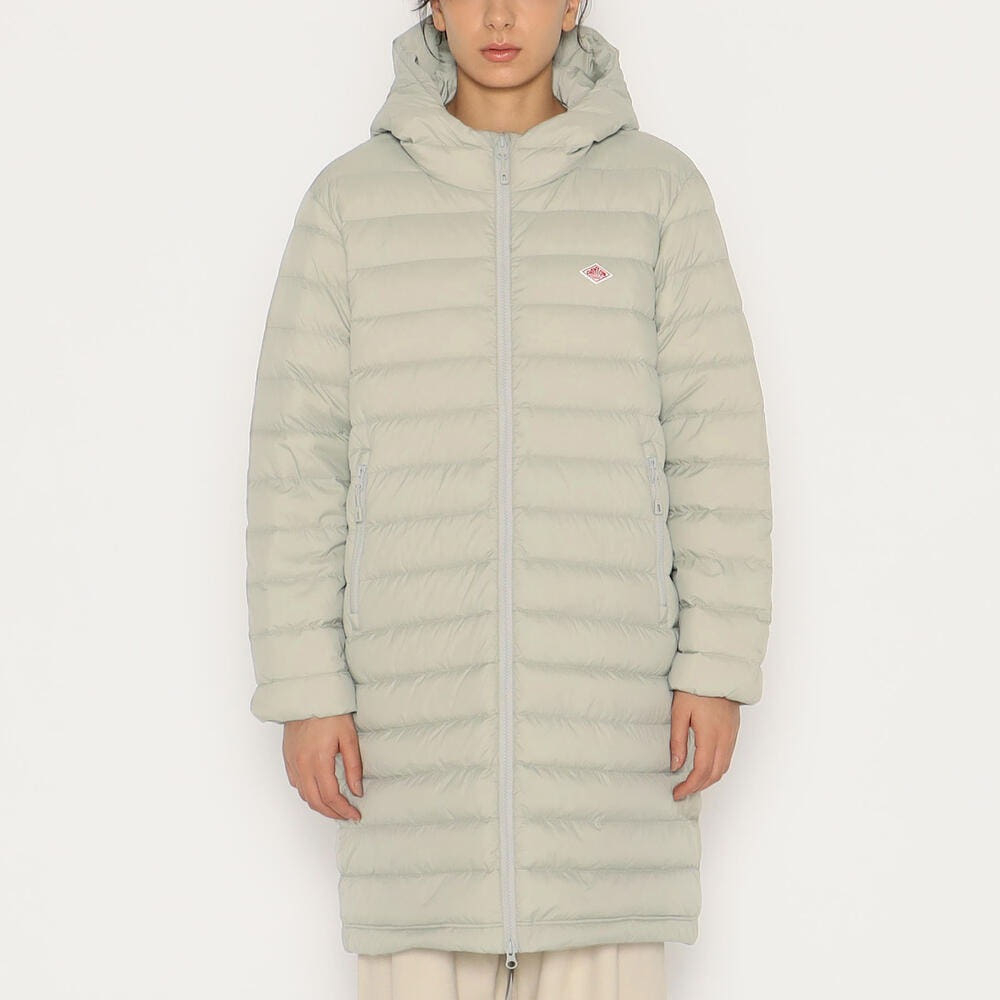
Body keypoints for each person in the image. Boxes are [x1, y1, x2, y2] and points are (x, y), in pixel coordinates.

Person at [244, 2, 773, 998]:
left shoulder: (657, 192)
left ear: (572, 4)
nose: (498, 15)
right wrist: (306, 687)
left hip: (610, 726)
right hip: (411, 729)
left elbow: (718, 446)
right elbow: (296, 463)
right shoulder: (349, 203)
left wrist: (716, 662)